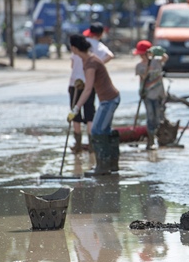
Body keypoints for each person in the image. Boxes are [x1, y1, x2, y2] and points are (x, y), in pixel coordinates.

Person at [67, 34, 121, 176]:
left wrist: (76, 108)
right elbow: (89, 84)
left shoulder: (91, 62)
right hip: (108, 99)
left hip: (109, 100)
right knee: (103, 131)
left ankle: (102, 166)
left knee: (97, 131)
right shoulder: (88, 60)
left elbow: (88, 89)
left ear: (74, 48)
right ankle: (111, 164)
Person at [69, 22, 114, 153]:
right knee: (90, 113)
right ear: (101, 34)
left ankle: (77, 145)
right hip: (88, 83)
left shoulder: (80, 45)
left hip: (75, 83)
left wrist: (95, 67)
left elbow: (72, 65)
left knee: (75, 113)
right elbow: (110, 55)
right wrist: (100, 64)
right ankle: (91, 145)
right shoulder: (97, 47)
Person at [134, 40, 168, 150]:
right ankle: (150, 140)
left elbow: (165, 58)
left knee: (159, 116)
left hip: (159, 95)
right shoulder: (139, 66)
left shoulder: (157, 62)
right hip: (147, 95)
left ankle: (161, 138)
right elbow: (142, 78)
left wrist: (158, 53)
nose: (142, 57)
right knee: (150, 117)